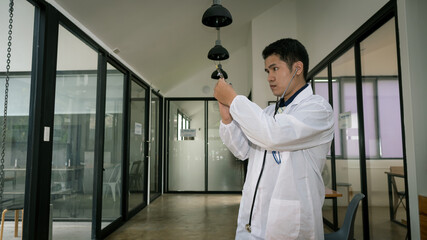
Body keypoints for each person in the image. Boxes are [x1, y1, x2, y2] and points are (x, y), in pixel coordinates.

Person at [213, 38, 334, 239]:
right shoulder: (269, 112)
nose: (269, 77)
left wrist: (235, 100)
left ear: (297, 68)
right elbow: (242, 150)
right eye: (267, 71)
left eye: (275, 68)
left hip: (290, 223)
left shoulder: (318, 110)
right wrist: (227, 119)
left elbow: (273, 135)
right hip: (255, 218)